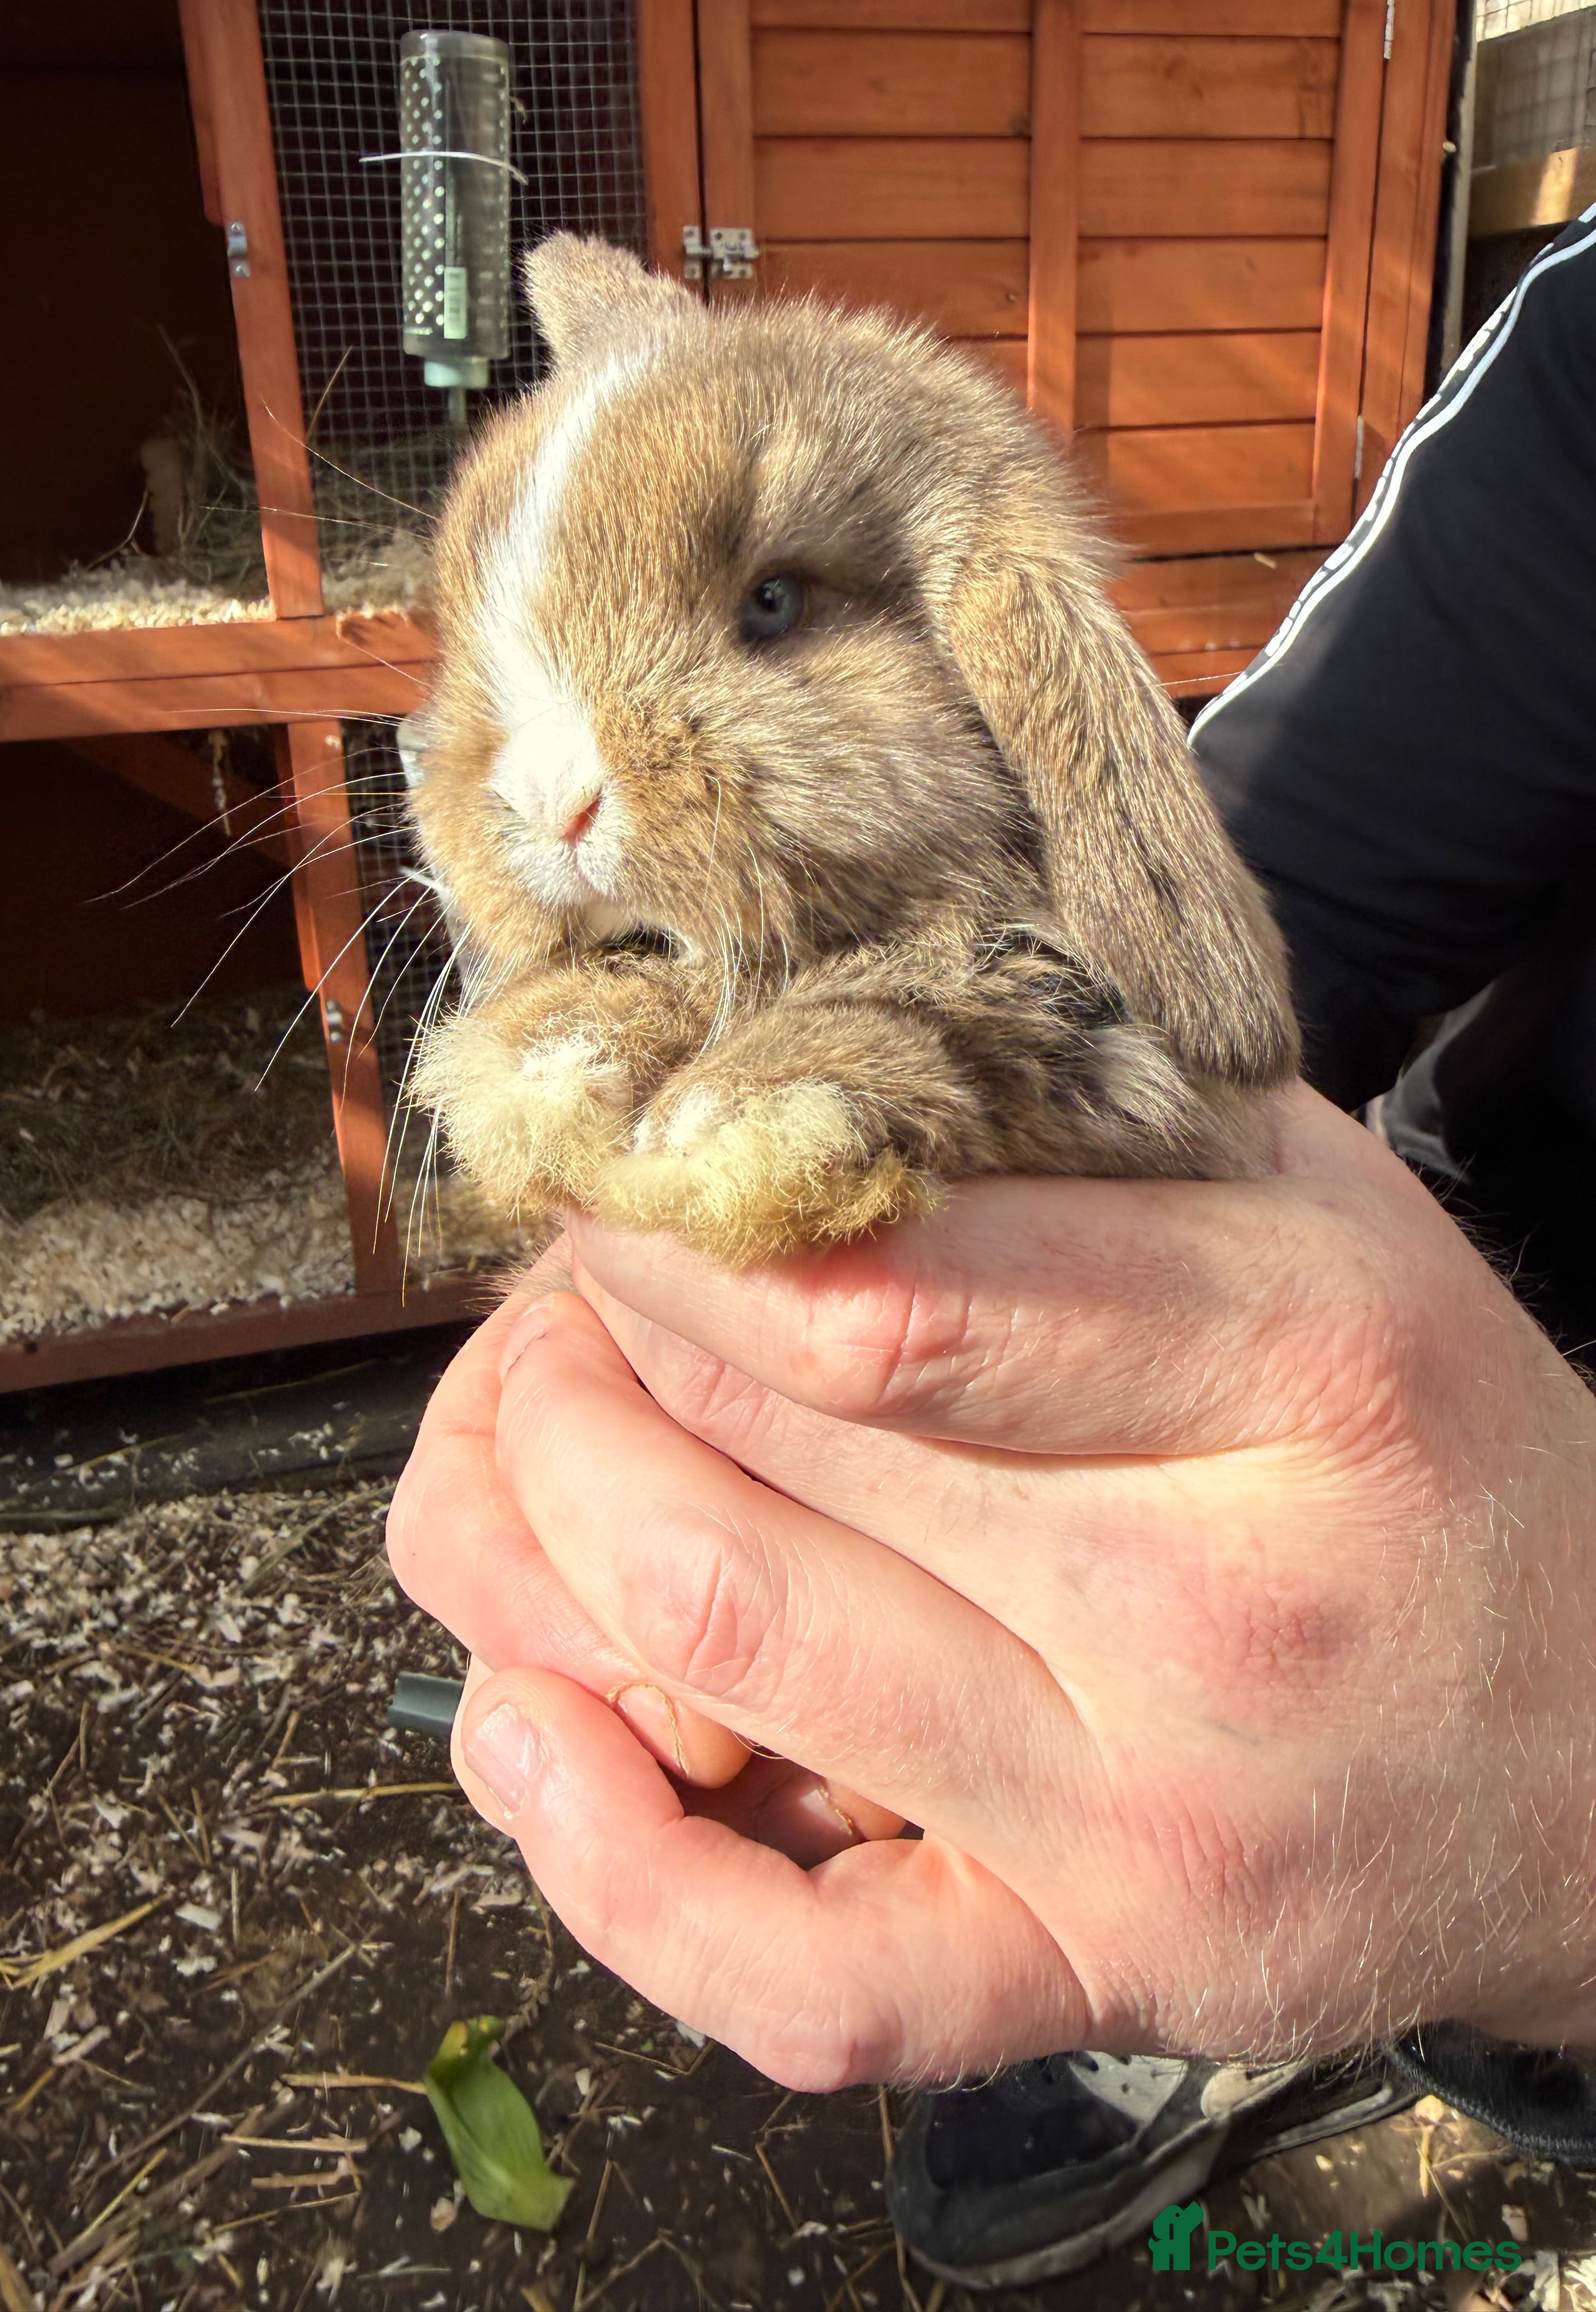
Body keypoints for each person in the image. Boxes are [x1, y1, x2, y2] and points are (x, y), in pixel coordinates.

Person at [386, 206, 1596, 2288]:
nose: (564, 792)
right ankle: (1153, 1838)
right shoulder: (1590, 376)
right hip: (1468, 1300)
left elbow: (1159, 1024)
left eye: (768, 609)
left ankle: (1265, 1959)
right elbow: (1288, 919)